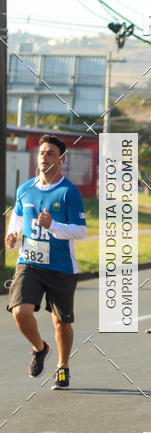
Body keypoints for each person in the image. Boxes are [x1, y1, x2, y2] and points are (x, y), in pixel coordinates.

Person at [5, 134, 87, 390]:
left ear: (61, 159)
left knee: (62, 323)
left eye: (50, 153)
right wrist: (13, 233)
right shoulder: (25, 188)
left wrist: (53, 226)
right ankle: (40, 349)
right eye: (41, 152)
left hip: (61, 267)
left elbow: (80, 231)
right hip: (29, 262)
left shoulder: (68, 192)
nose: (44, 157)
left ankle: (63, 367)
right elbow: (18, 215)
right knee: (20, 311)